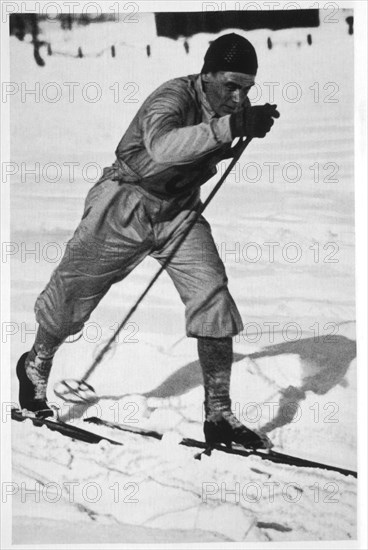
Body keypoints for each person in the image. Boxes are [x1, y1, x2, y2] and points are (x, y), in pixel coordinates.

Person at [16, 33, 280, 450]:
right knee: (72, 296)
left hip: (178, 212)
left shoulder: (234, 107)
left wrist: (245, 130)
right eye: (230, 85)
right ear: (206, 75)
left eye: (246, 88)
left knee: (213, 297)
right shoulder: (171, 98)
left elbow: (208, 144)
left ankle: (219, 413)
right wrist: (230, 127)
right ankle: (35, 366)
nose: (238, 96)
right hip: (126, 204)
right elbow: (161, 147)